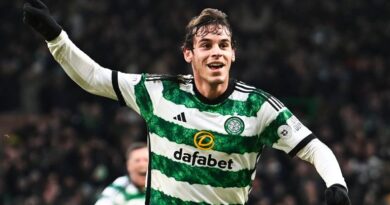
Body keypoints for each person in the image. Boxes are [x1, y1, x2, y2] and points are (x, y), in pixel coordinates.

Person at [23, 0, 351, 204]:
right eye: (206, 45)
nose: (216, 51)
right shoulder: (159, 93)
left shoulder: (257, 107)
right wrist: (57, 38)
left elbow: (314, 148)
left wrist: (336, 183)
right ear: (189, 54)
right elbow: (95, 78)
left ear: (233, 54)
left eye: (223, 44)